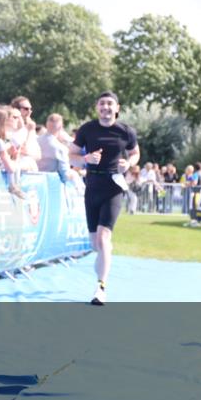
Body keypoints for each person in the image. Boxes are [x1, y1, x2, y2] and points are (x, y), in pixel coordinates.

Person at [68, 91, 140, 306]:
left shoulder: (125, 131)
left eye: (110, 104)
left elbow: (135, 153)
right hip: (92, 186)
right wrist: (86, 158)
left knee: (103, 238)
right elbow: (71, 155)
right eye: (102, 104)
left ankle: (101, 287)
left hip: (114, 186)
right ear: (97, 108)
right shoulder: (87, 129)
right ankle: (106, 252)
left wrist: (130, 163)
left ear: (117, 108)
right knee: (95, 244)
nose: (106, 107)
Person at [0, 105, 26, 198]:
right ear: (2, 124)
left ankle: (15, 186)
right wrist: (15, 158)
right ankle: (14, 186)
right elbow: (11, 168)